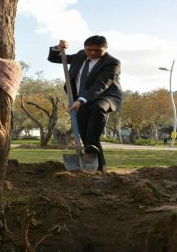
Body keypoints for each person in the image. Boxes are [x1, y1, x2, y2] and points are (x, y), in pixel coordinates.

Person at [48, 35, 122, 172]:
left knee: (98, 108)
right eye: (89, 50)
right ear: (84, 48)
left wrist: (82, 100)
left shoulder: (112, 63)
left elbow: (101, 85)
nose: (93, 53)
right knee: (88, 139)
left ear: (105, 49)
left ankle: (92, 147)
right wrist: (58, 48)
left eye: (98, 50)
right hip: (79, 100)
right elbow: (54, 58)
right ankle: (100, 169)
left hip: (105, 97)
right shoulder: (81, 55)